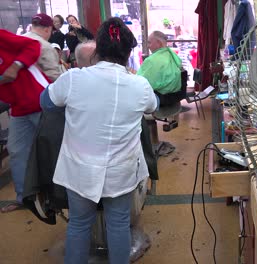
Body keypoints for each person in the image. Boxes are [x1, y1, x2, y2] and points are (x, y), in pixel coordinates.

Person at [40, 17, 158, 263]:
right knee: (118, 224)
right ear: (128, 53)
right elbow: (153, 107)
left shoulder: (73, 79)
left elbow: (46, 102)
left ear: (98, 51)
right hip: (121, 170)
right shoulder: (140, 86)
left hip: (80, 169)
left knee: (79, 224)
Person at [0, 29, 49, 213]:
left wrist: (16, 65)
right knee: (17, 150)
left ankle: (65, 193)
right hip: (18, 107)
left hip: (38, 99)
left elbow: (33, 46)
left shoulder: (1, 37)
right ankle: (25, 198)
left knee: (54, 147)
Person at [137, 30, 182, 102]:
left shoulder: (152, 60)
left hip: (160, 98)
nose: (148, 46)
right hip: (174, 96)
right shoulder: (172, 54)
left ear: (159, 43)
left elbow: (141, 83)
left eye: (149, 43)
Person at [23, 13, 64, 81]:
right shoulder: (45, 47)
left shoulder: (20, 39)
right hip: (37, 89)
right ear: (47, 29)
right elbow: (54, 77)